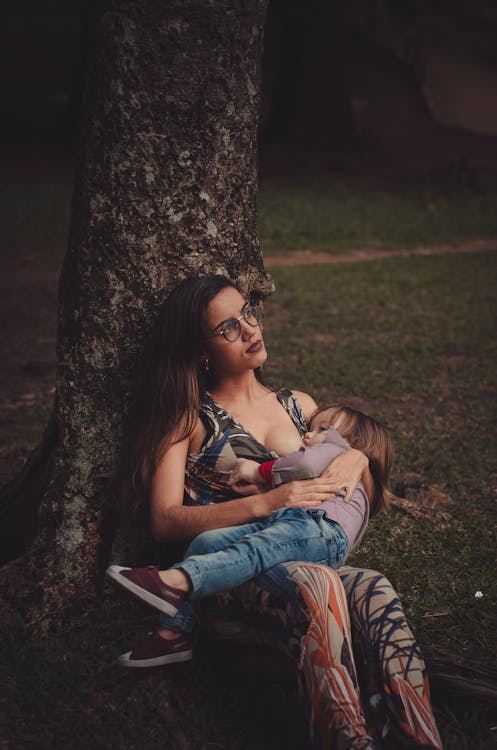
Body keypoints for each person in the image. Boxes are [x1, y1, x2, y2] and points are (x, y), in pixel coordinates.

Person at [111, 275, 442, 749]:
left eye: (247, 313)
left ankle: (420, 738)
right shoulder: (187, 418)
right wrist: (267, 502)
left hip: (306, 553)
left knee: (375, 587)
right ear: (200, 351)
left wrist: (357, 458)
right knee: (319, 583)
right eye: (227, 327)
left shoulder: (298, 405)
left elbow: (343, 472)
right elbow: (164, 519)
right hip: (229, 576)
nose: (249, 330)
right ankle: (347, 740)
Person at [107, 404, 393, 621]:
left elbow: (305, 465)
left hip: (319, 530)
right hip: (295, 523)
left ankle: (180, 581)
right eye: (312, 427)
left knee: (255, 549)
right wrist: (265, 497)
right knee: (206, 544)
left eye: (322, 429)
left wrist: (258, 472)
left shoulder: (335, 452)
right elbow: (302, 486)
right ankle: (174, 631)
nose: (308, 434)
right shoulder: (338, 468)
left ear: (351, 442)